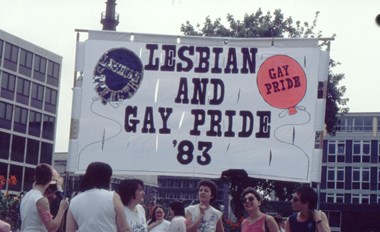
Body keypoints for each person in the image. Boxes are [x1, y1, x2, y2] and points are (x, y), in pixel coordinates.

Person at [65, 162, 130, 232]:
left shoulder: (75, 200)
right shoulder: (113, 197)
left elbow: (69, 230)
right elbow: (124, 229)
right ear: (106, 178)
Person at [20, 163, 69, 232]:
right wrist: (62, 208)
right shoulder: (41, 200)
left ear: (35, 177)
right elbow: (52, 228)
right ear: (50, 180)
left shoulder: (27, 196)